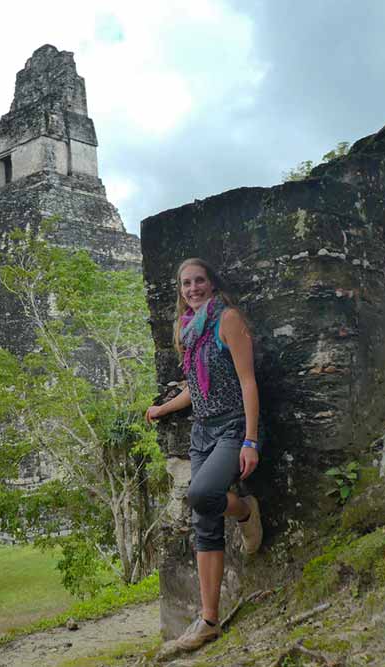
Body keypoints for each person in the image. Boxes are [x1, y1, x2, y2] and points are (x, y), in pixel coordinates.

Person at [145, 257, 263, 651]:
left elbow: (248, 382)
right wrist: (163, 409)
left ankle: (246, 511)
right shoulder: (187, 330)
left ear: (211, 284)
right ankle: (209, 620)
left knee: (202, 495)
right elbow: (195, 388)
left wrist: (250, 440)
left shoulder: (227, 320)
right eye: (185, 284)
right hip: (201, 432)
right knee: (204, 522)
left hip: (231, 428)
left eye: (199, 281)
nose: (192, 289)